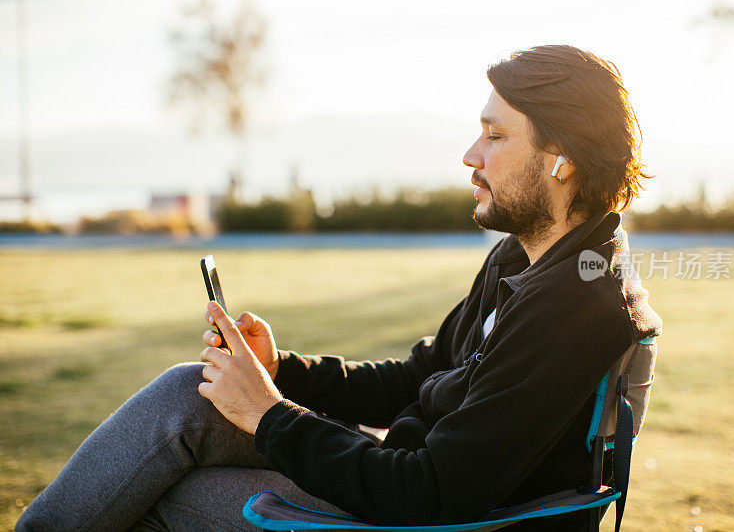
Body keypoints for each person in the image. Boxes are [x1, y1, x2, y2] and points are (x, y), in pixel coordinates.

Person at [17, 44, 662, 531]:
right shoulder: (524, 264)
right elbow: (412, 381)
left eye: (495, 135)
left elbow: (428, 492)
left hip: (432, 517)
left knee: (169, 501)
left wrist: (267, 415)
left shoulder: (578, 304)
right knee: (189, 391)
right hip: (403, 481)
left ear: (563, 159)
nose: (471, 154)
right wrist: (282, 371)